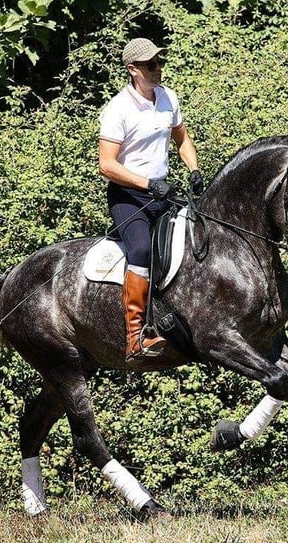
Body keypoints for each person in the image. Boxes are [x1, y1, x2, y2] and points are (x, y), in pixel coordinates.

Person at [99, 37, 204, 363]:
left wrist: (194, 168)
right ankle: (134, 337)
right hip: (129, 197)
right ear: (132, 69)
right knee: (142, 249)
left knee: (198, 237)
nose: (159, 69)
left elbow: (182, 139)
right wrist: (147, 184)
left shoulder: (167, 98)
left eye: (160, 62)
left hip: (164, 192)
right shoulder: (118, 109)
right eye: (151, 65)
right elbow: (107, 165)